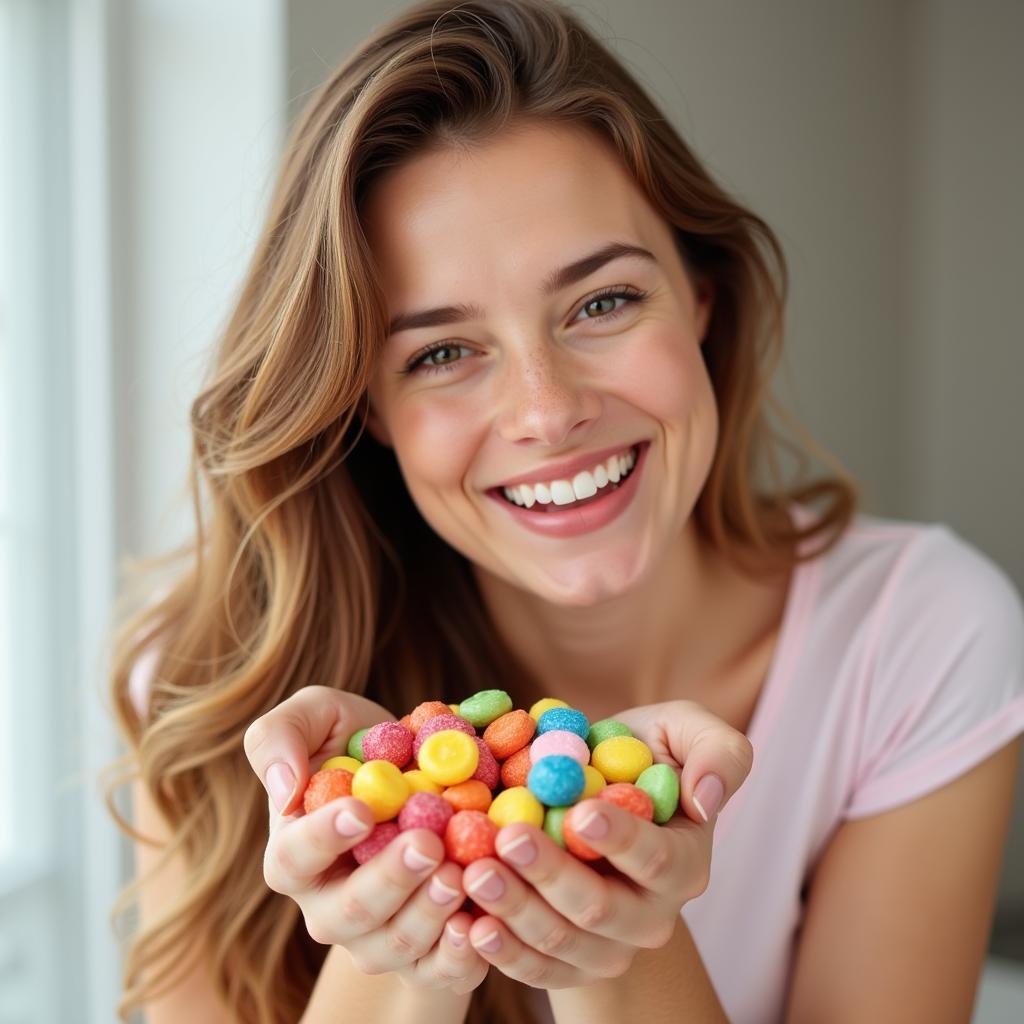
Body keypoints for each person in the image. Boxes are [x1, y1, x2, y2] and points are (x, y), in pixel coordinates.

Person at [104, 1, 1024, 1022]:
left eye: (602, 302)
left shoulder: (919, 636)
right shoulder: (215, 691)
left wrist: (617, 933)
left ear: (700, 294)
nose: (547, 411)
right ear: (369, 405)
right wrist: (401, 896)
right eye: (441, 353)